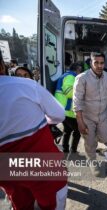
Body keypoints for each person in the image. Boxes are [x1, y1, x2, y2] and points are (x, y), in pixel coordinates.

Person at [0, 56, 68, 209]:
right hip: (42, 169)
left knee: (20, 202)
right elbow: (59, 115)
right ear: (2, 66)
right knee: (52, 202)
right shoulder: (28, 86)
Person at [73, 52, 107, 177]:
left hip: (103, 115)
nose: (99, 65)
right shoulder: (82, 78)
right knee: (90, 142)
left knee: (106, 138)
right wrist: (80, 122)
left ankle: (94, 140)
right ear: (91, 63)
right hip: (88, 117)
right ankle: (92, 160)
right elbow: (77, 101)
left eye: (101, 63)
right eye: (96, 63)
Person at [55, 62, 83, 153]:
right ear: (77, 69)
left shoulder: (65, 75)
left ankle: (65, 149)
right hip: (68, 110)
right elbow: (69, 92)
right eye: (80, 70)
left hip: (63, 109)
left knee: (67, 130)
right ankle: (73, 149)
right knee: (78, 131)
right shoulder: (71, 77)